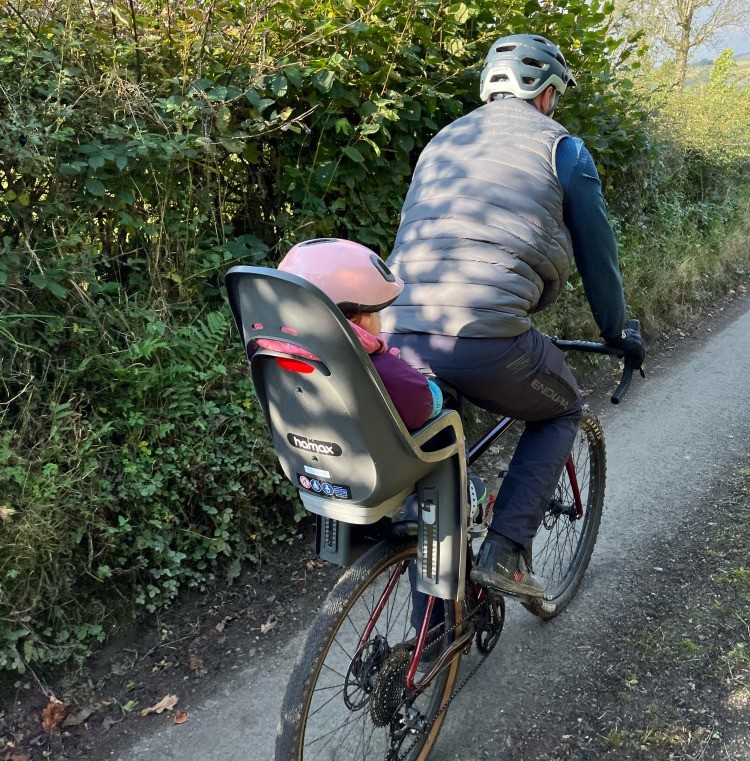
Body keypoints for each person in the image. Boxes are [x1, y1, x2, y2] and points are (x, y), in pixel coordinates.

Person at [380, 33, 645, 599]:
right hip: (487, 336)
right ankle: (506, 553)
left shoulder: (442, 142)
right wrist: (618, 332)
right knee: (562, 410)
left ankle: (424, 640)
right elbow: (599, 257)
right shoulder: (563, 150)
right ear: (547, 94)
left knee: (437, 483)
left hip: (397, 330)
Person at [265, 237, 444, 431]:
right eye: (377, 312)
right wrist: (434, 394)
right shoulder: (378, 369)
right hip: (381, 458)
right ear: (361, 320)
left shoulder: (275, 358)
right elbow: (419, 408)